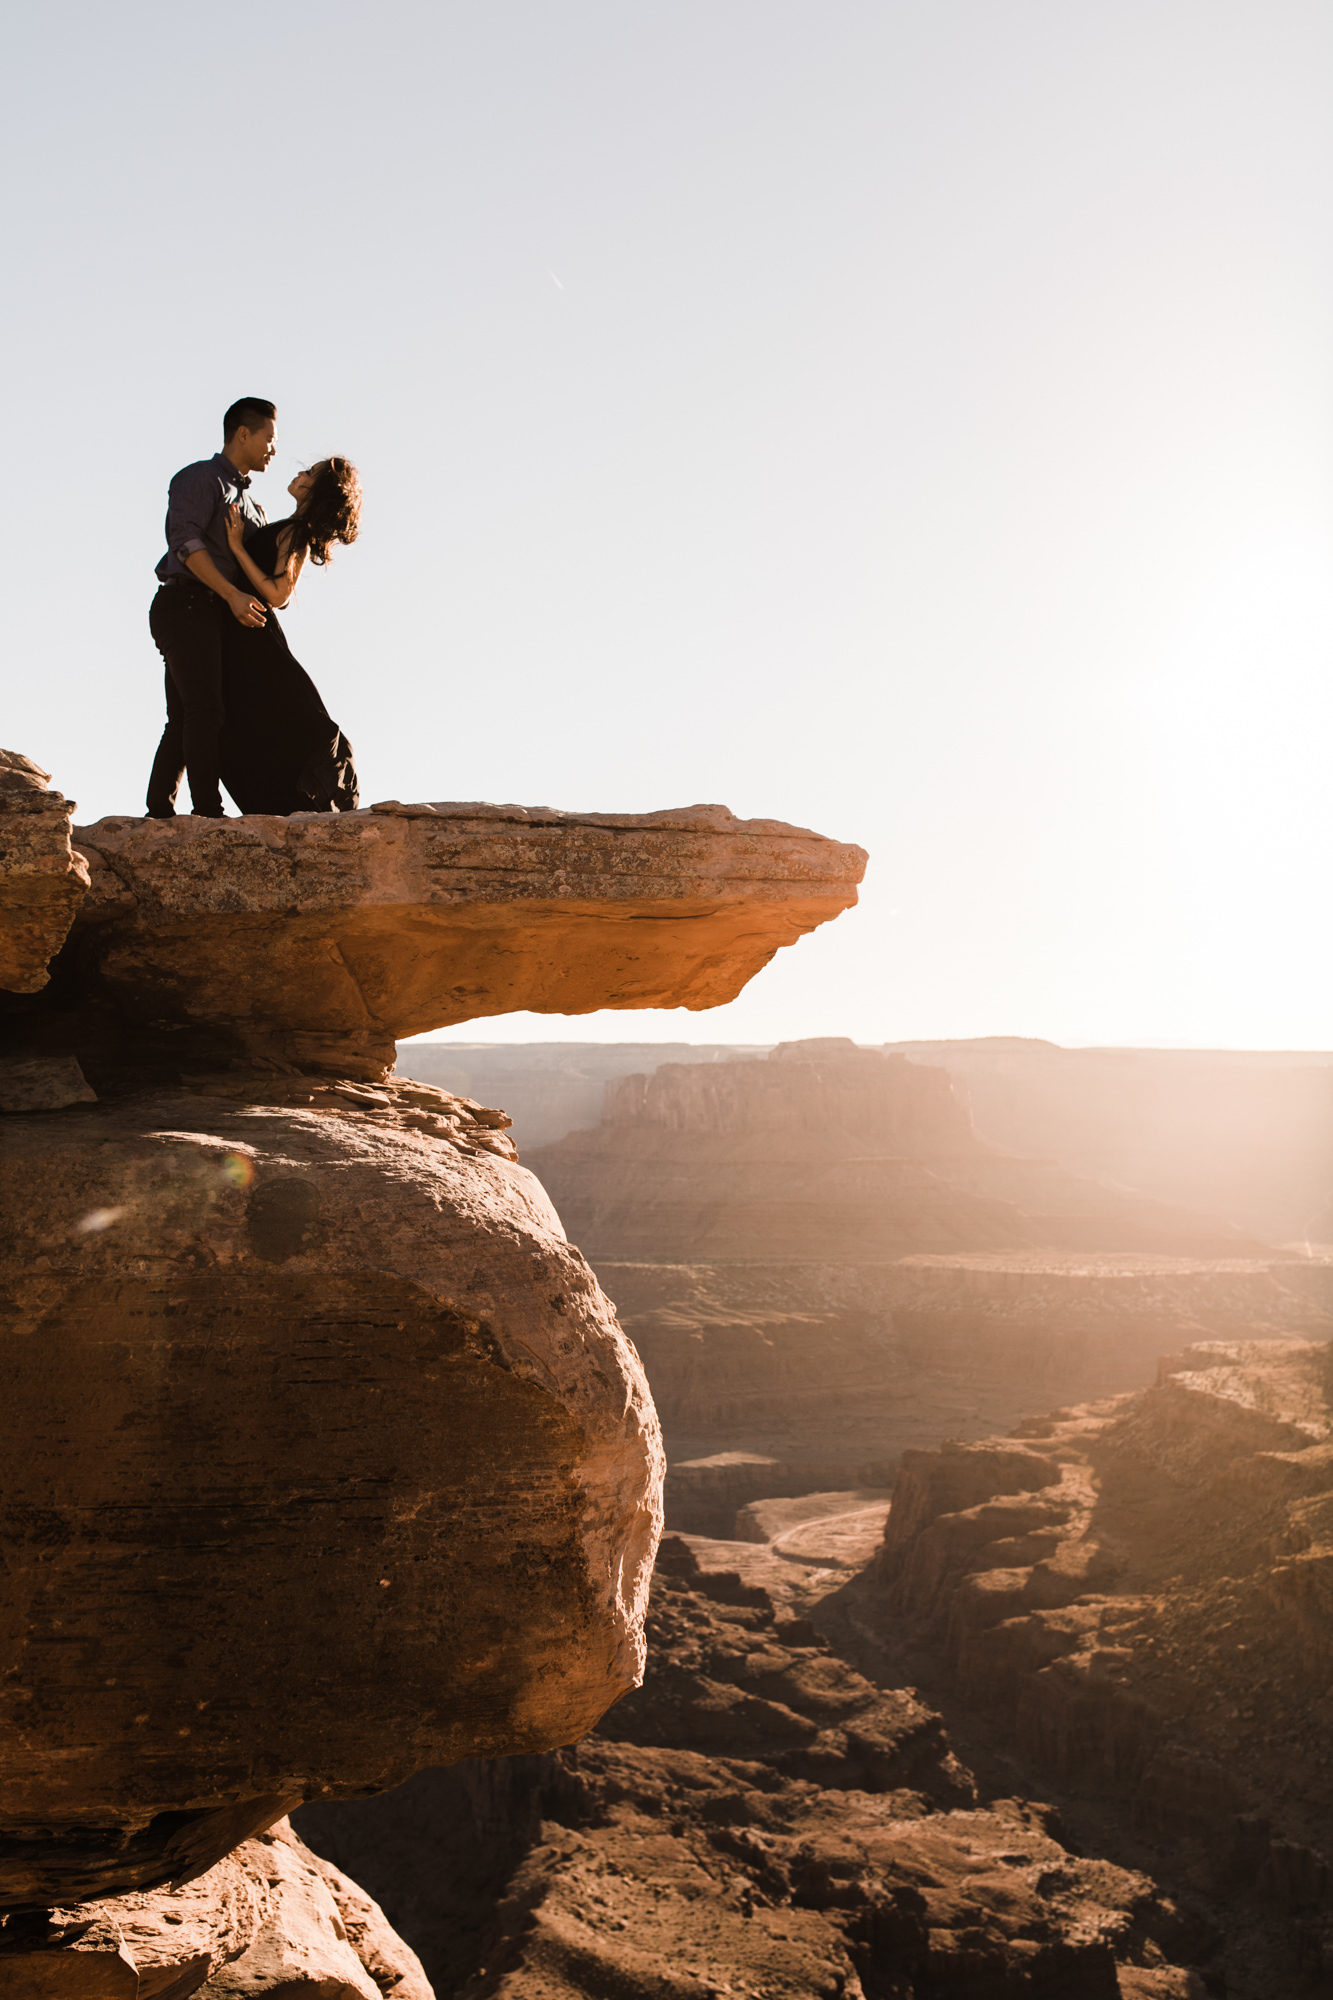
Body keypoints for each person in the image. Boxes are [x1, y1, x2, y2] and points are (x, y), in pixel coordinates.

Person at [145, 398, 277, 819]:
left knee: (185, 714)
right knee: (202, 710)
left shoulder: (255, 507)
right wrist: (231, 595)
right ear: (243, 433)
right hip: (184, 603)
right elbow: (184, 544)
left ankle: (158, 814)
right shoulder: (200, 478)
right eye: (269, 439)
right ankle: (208, 815)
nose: (273, 449)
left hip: (214, 615)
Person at [217, 458, 362, 815]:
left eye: (309, 473)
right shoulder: (289, 528)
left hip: (254, 636)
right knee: (247, 720)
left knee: (264, 722)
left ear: (321, 490)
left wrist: (237, 545)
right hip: (244, 631)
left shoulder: (299, 531)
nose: (299, 475)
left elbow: (279, 593)